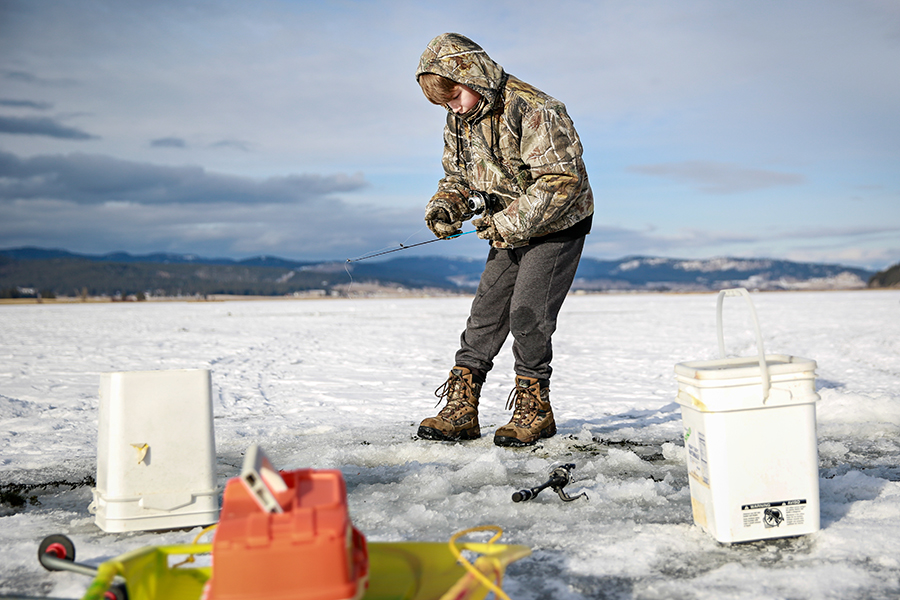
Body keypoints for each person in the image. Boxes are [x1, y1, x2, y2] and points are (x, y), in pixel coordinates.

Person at [415, 33, 594, 447]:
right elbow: (459, 175)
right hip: (508, 225)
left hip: (557, 224)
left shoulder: (535, 109)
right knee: (485, 314)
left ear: (472, 75)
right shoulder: (461, 119)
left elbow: (561, 182)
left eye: (454, 95)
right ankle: (461, 410)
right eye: (444, 103)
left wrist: (507, 224)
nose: (452, 107)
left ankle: (535, 411)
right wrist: (447, 205)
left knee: (527, 315)